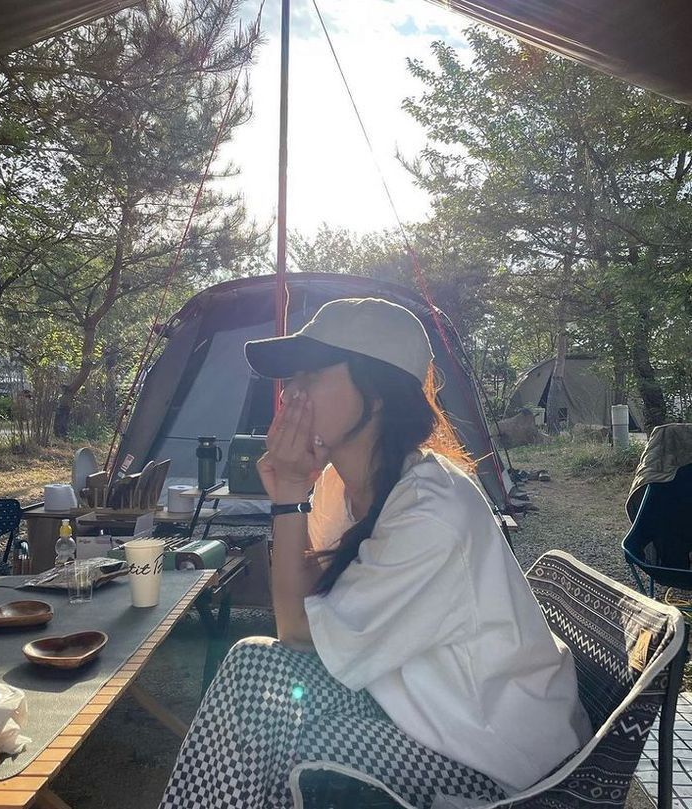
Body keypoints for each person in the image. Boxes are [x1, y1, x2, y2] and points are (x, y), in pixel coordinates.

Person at [160, 297, 592, 809]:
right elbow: (307, 615)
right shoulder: (341, 487)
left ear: (380, 394)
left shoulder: (430, 511)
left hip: (497, 763)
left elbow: (297, 631)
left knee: (268, 701)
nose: (290, 392)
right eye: (289, 376)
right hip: (421, 712)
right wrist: (295, 489)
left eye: (312, 373)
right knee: (260, 686)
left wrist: (289, 493)